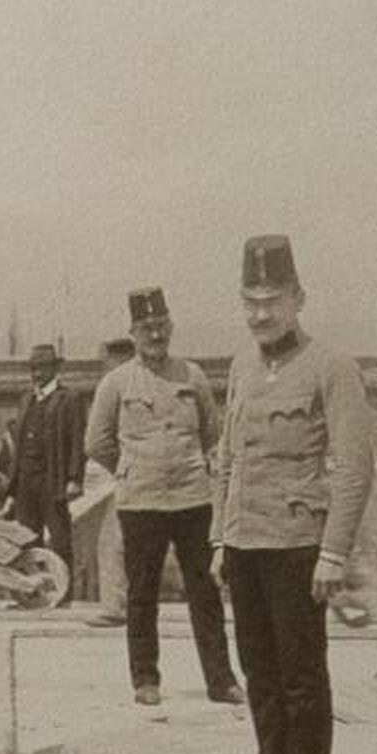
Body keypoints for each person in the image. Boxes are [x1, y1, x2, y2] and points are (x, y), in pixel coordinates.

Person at [211, 236, 374, 754]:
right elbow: (227, 458)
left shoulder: (332, 368)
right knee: (258, 671)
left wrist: (333, 552)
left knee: (302, 677)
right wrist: (217, 540)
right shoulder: (239, 367)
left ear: (298, 299)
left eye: (272, 300)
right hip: (243, 543)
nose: (261, 314)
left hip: (299, 546)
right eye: (250, 302)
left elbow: (355, 467)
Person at [86, 288, 242, 707]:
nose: (155, 334)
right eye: (146, 328)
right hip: (141, 502)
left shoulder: (192, 376)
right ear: (133, 333)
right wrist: (134, 466)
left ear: (170, 327)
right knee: (142, 593)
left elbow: (212, 432)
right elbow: (97, 442)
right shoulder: (115, 383)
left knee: (205, 592)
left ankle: (222, 680)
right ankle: (145, 679)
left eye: (161, 326)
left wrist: (189, 464)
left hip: (193, 497)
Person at [3, 343, 86, 588]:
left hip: (53, 478)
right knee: (27, 537)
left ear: (55, 368)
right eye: (33, 368)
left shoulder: (69, 399)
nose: (37, 373)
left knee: (59, 537)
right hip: (25, 480)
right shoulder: (26, 399)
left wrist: (74, 478)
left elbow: (77, 441)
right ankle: (32, 589)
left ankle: (62, 590)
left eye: (42, 367)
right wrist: (13, 483)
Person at [84, 337, 136, 628]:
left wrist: (121, 468)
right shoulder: (151, 380)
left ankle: (115, 607)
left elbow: (96, 443)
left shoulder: (114, 386)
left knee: (112, 541)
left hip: (127, 478)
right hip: (162, 476)